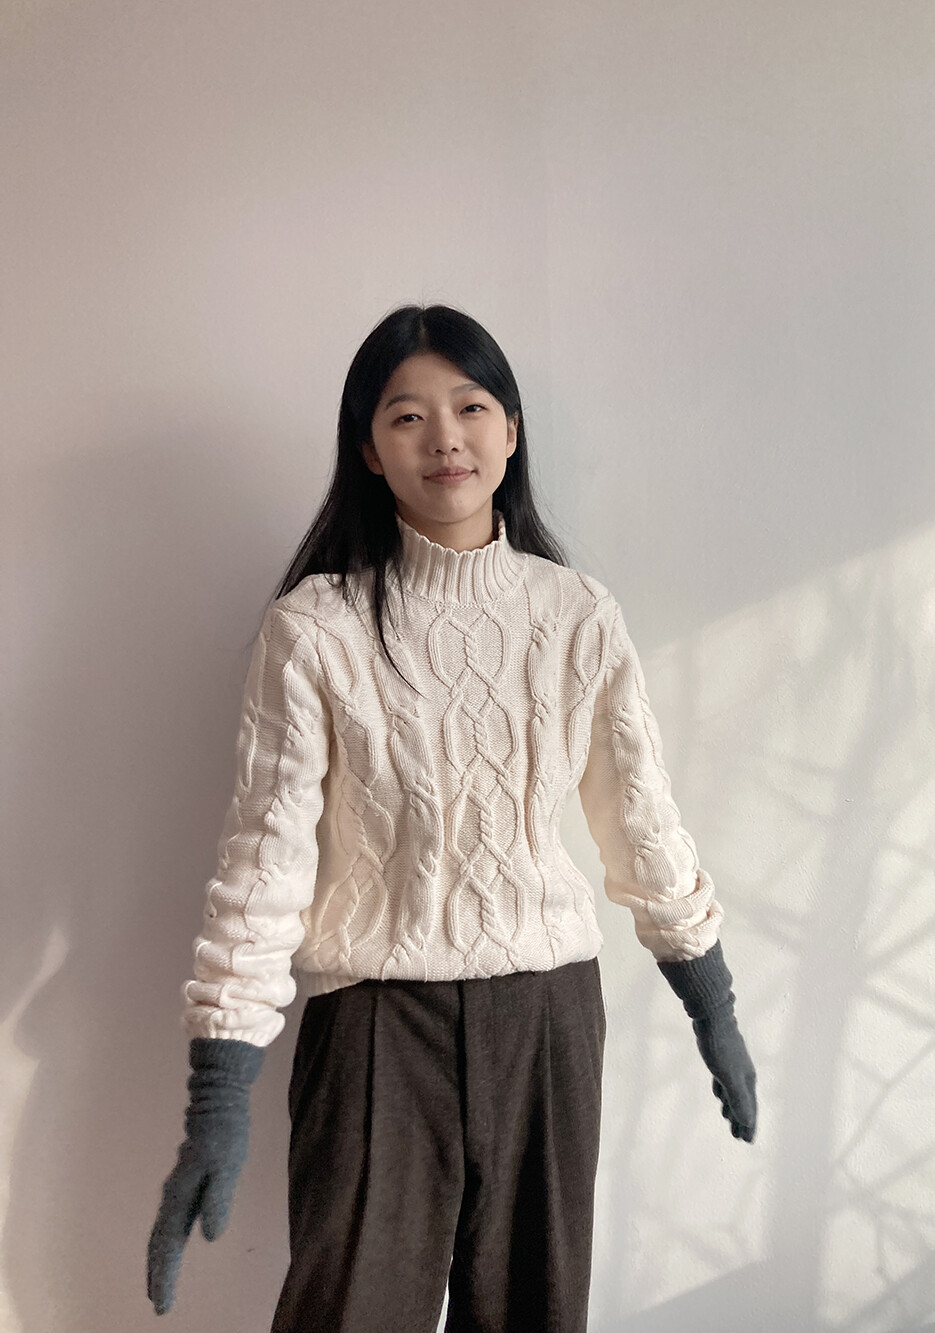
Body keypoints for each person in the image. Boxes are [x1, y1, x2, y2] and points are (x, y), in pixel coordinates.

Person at [146, 303, 757, 1332]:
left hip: (548, 1023)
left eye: (470, 407)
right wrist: (218, 1094)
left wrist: (714, 1006)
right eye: (406, 416)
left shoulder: (577, 615)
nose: (444, 437)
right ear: (368, 449)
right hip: (375, 1030)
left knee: (534, 1311)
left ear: (510, 430)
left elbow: (641, 821)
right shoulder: (316, 629)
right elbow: (263, 861)